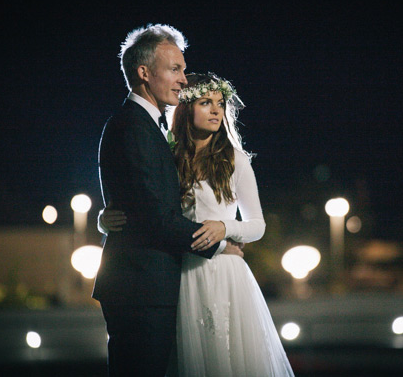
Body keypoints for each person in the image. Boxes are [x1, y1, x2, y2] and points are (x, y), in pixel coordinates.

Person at [99, 72, 294, 376]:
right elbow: (150, 207)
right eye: (206, 102)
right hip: (182, 273)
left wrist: (225, 229)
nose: (216, 110)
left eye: (220, 103)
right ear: (186, 108)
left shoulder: (236, 160)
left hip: (225, 276)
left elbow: (257, 225)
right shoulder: (168, 156)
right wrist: (104, 218)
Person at [93, 25, 243, 377]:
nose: (184, 80)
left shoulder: (145, 126)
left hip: (146, 286)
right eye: (175, 69)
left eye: (184, 69)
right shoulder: (132, 128)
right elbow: (157, 218)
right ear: (144, 73)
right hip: (140, 289)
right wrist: (220, 244)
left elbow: (139, 203)